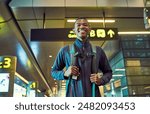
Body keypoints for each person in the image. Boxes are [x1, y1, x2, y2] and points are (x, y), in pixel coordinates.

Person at [51, 17, 112, 97]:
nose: (82, 27)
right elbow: (54, 72)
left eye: (85, 25)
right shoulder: (65, 51)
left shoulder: (98, 51)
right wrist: (65, 73)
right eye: (78, 25)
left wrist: (100, 80)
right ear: (74, 30)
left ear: (89, 29)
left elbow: (108, 72)